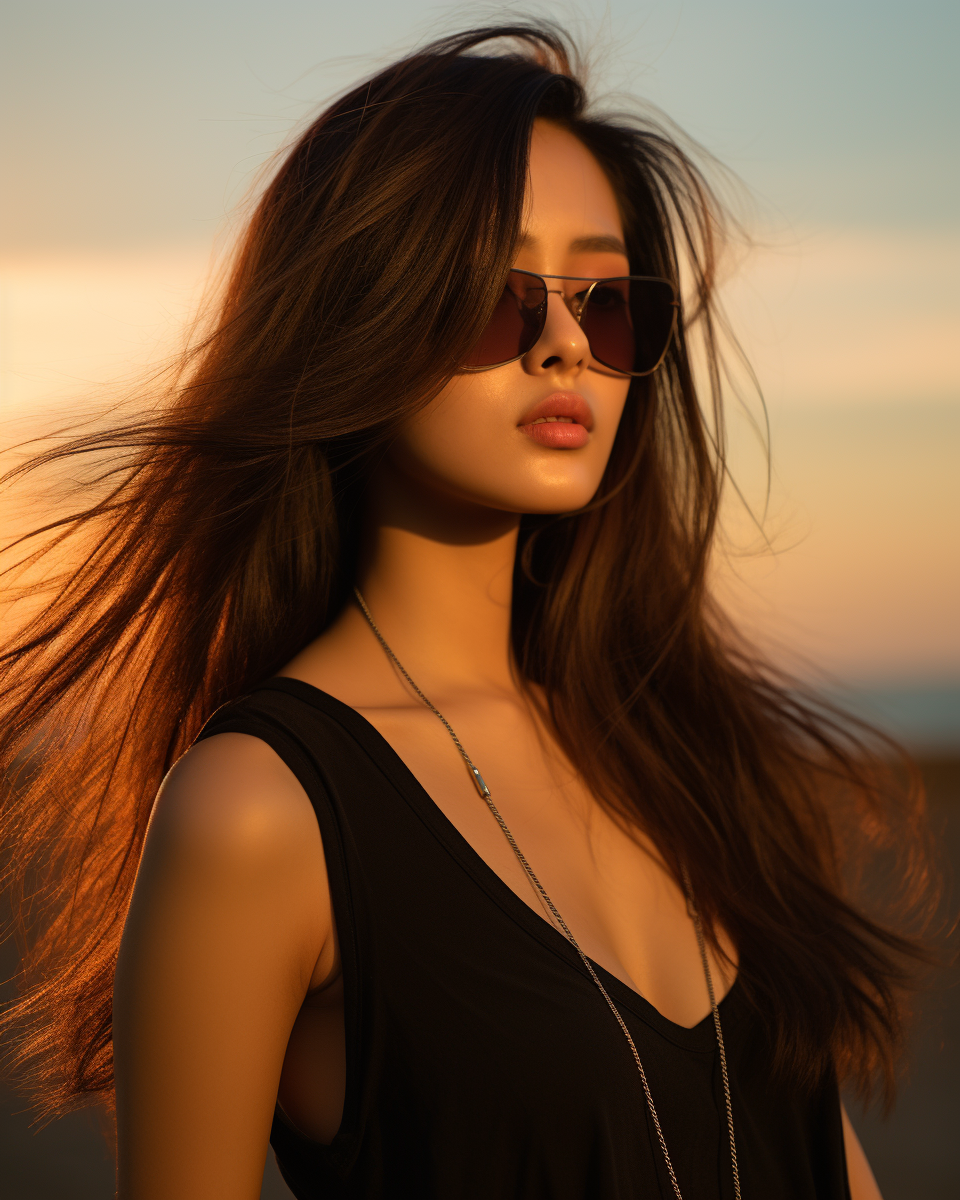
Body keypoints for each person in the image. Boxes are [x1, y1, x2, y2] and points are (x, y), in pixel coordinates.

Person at [0, 23, 937, 1200]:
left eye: (604, 301)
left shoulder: (666, 747)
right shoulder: (262, 814)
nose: (563, 345)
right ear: (364, 317)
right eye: (500, 298)